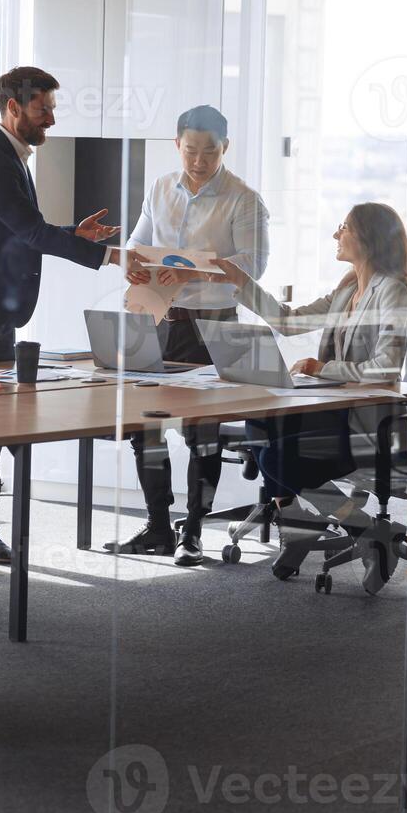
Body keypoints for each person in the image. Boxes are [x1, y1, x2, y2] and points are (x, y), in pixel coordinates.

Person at [0, 66, 144, 567]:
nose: (52, 120)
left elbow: (19, 229)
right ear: (13, 108)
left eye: (52, 109)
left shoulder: (11, 158)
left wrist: (74, 235)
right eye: (44, 110)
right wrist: (108, 256)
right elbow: (30, 231)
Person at [212, 202, 407, 593]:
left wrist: (319, 369)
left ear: (369, 239)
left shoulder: (395, 291)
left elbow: (387, 368)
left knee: (277, 456)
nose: (335, 235)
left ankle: (349, 525)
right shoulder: (347, 290)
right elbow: (289, 321)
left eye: (344, 227)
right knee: (259, 420)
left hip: (371, 423)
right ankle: (302, 523)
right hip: (335, 411)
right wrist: (241, 282)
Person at [106, 105, 270, 566]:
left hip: (212, 327)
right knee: (147, 430)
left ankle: (192, 531)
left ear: (226, 148)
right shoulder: (161, 187)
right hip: (159, 321)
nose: (198, 161)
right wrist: (135, 266)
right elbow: (139, 243)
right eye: (191, 150)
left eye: (209, 152)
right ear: (177, 144)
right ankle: (158, 525)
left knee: (204, 437)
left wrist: (197, 268)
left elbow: (254, 265)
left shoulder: (243, 198)